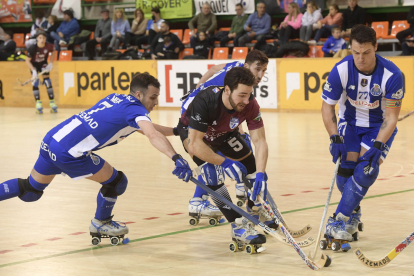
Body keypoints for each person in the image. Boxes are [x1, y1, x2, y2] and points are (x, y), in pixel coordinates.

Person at [0, 73, 193, 245]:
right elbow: (151, 134)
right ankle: (101, 223)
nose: (156, 102)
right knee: (117, 182)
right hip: (69, 153)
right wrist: (175, 157)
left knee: (30, 190)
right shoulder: (135, 111)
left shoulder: (116, 98)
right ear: (139, 95)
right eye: (153, 97)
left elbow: (145, 128)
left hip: (52, 139)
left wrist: (175, 131)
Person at [321, 24, 404, 244]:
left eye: (366, 53)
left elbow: (391, 118)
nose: (360, 58)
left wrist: (378, 145)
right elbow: (327, 107)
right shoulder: (341, 70)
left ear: (376, 47)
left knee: (366, 170)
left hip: (378, 126)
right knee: (344, 173)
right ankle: (353, 210)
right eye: (356, 53)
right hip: (349, 123)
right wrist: (334, 136)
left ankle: (338, 220)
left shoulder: (393, 74)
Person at [177, 66, 272, 249]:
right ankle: (238, 225)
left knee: (250, 164)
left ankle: (255, 209)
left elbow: (260, 141)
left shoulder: (250, 103)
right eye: (241, 95)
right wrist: (225, 162)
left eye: (249, 95)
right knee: (213, 174)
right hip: (195, 135)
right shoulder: (205, 99)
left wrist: (260, 173)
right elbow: (195, 144)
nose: (246, 100)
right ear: (227, 90)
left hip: (224, 132)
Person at [25, 31, 57, 114]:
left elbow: (53, 52)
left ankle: (52, 102)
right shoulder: (32, 48)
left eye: (43, 38)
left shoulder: (49, 46)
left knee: (47, 82)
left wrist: (51, 63)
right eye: (40, 38)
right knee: (35, 82)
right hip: (34, 64)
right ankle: (38, 103)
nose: (42, 40)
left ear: (45, 38)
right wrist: (33, 70)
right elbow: (27, 61)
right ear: (37, 39)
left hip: (43, 63)